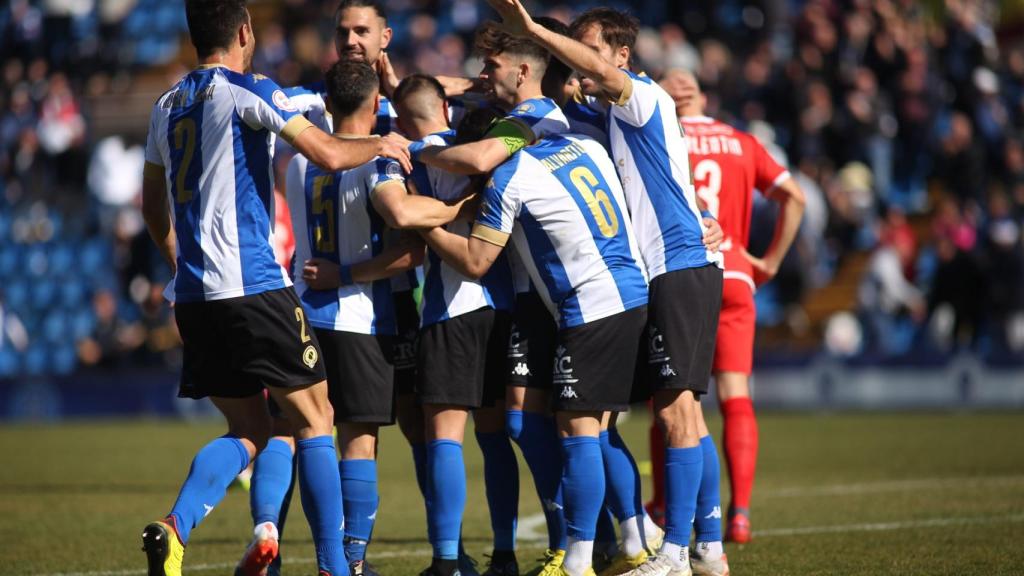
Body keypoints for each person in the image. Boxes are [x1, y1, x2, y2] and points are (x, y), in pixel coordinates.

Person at [138, 1, 410, 575]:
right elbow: (332, 153)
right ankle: (337, 568)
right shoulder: (249, 90)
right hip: (255, 287)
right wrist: (381, 144)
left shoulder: (165, 106)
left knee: (250, 430)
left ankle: (174, 527)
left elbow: (151, 207)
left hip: (194, 297)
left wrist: (182, 264)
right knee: (315, 419)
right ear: (244, 32)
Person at [483, 3, 725, 576]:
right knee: (668, 411)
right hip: (650, 274)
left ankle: (682, 552)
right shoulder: (600, 120)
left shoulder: (640, 97)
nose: (582, 67)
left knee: (677, 411)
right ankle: (691, 550)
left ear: (620, 56)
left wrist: (535, 31)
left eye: (590, 51)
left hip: (678, 264)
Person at [421, 131, 650, 576]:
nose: (484, 78)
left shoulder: (518, 161)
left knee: (578, 430)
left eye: (493, 69)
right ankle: (630, 539)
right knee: (576, 428)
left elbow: (474, 259)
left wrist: (425, 191)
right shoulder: (583, 143)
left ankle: (587, 553)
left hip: (578, 303)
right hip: (613, 292)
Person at [649, 69, 806, 550]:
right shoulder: (740, 140)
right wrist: (771, 262)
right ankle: (739, 515)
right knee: (735, 395)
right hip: (736, 273)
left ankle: (662, 505)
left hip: (682, 273)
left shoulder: (657, 134)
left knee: (672, 397)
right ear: (701, 94)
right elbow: (794, 197)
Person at [390, 74, 522, 576]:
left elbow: (407, 227)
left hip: (449, 309)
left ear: (401, 119)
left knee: (443, 435)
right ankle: (506, 554)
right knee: (494, 436)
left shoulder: (406, 158)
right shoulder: (484, 144)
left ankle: (447, 560)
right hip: (503, 303)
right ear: (445, 106)